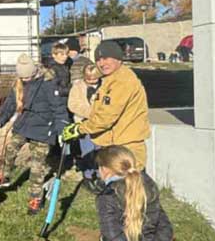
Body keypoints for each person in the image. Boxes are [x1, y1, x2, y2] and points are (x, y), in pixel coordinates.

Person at [0, 53, 69, 214]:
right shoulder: (19, 84)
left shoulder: (48, 83)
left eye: (28, 77)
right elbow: (10, 104)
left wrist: (62, 130)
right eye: (23, 77)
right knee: (10, 149)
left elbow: (59, 108)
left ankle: (35, 199)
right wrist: (0, 120)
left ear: (34, 72)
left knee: (36, 166)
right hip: (25, 124)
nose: (25, 80)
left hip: (43, 129)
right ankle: (4, 176)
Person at [60, 39, 150, 168]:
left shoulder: (122, 82)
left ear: (118, 58)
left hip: (126, 147)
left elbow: (106, 117)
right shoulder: (109, 80)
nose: (102, 63)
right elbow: (99, 110)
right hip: (115, 143)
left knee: (127, 179)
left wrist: (79, 129)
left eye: (106, 58)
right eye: (98, 60)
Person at [67, 62, 104, 187]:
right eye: (89, 79)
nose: (92, 82)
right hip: (84, 123)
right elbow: (73, 105)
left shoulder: (104, 86)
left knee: (100, 151)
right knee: (87, 151)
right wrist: (89, 112)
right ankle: (88, 175)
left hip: (101, 125)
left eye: (95, 79)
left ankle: (100, 175)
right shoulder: (77, 87)